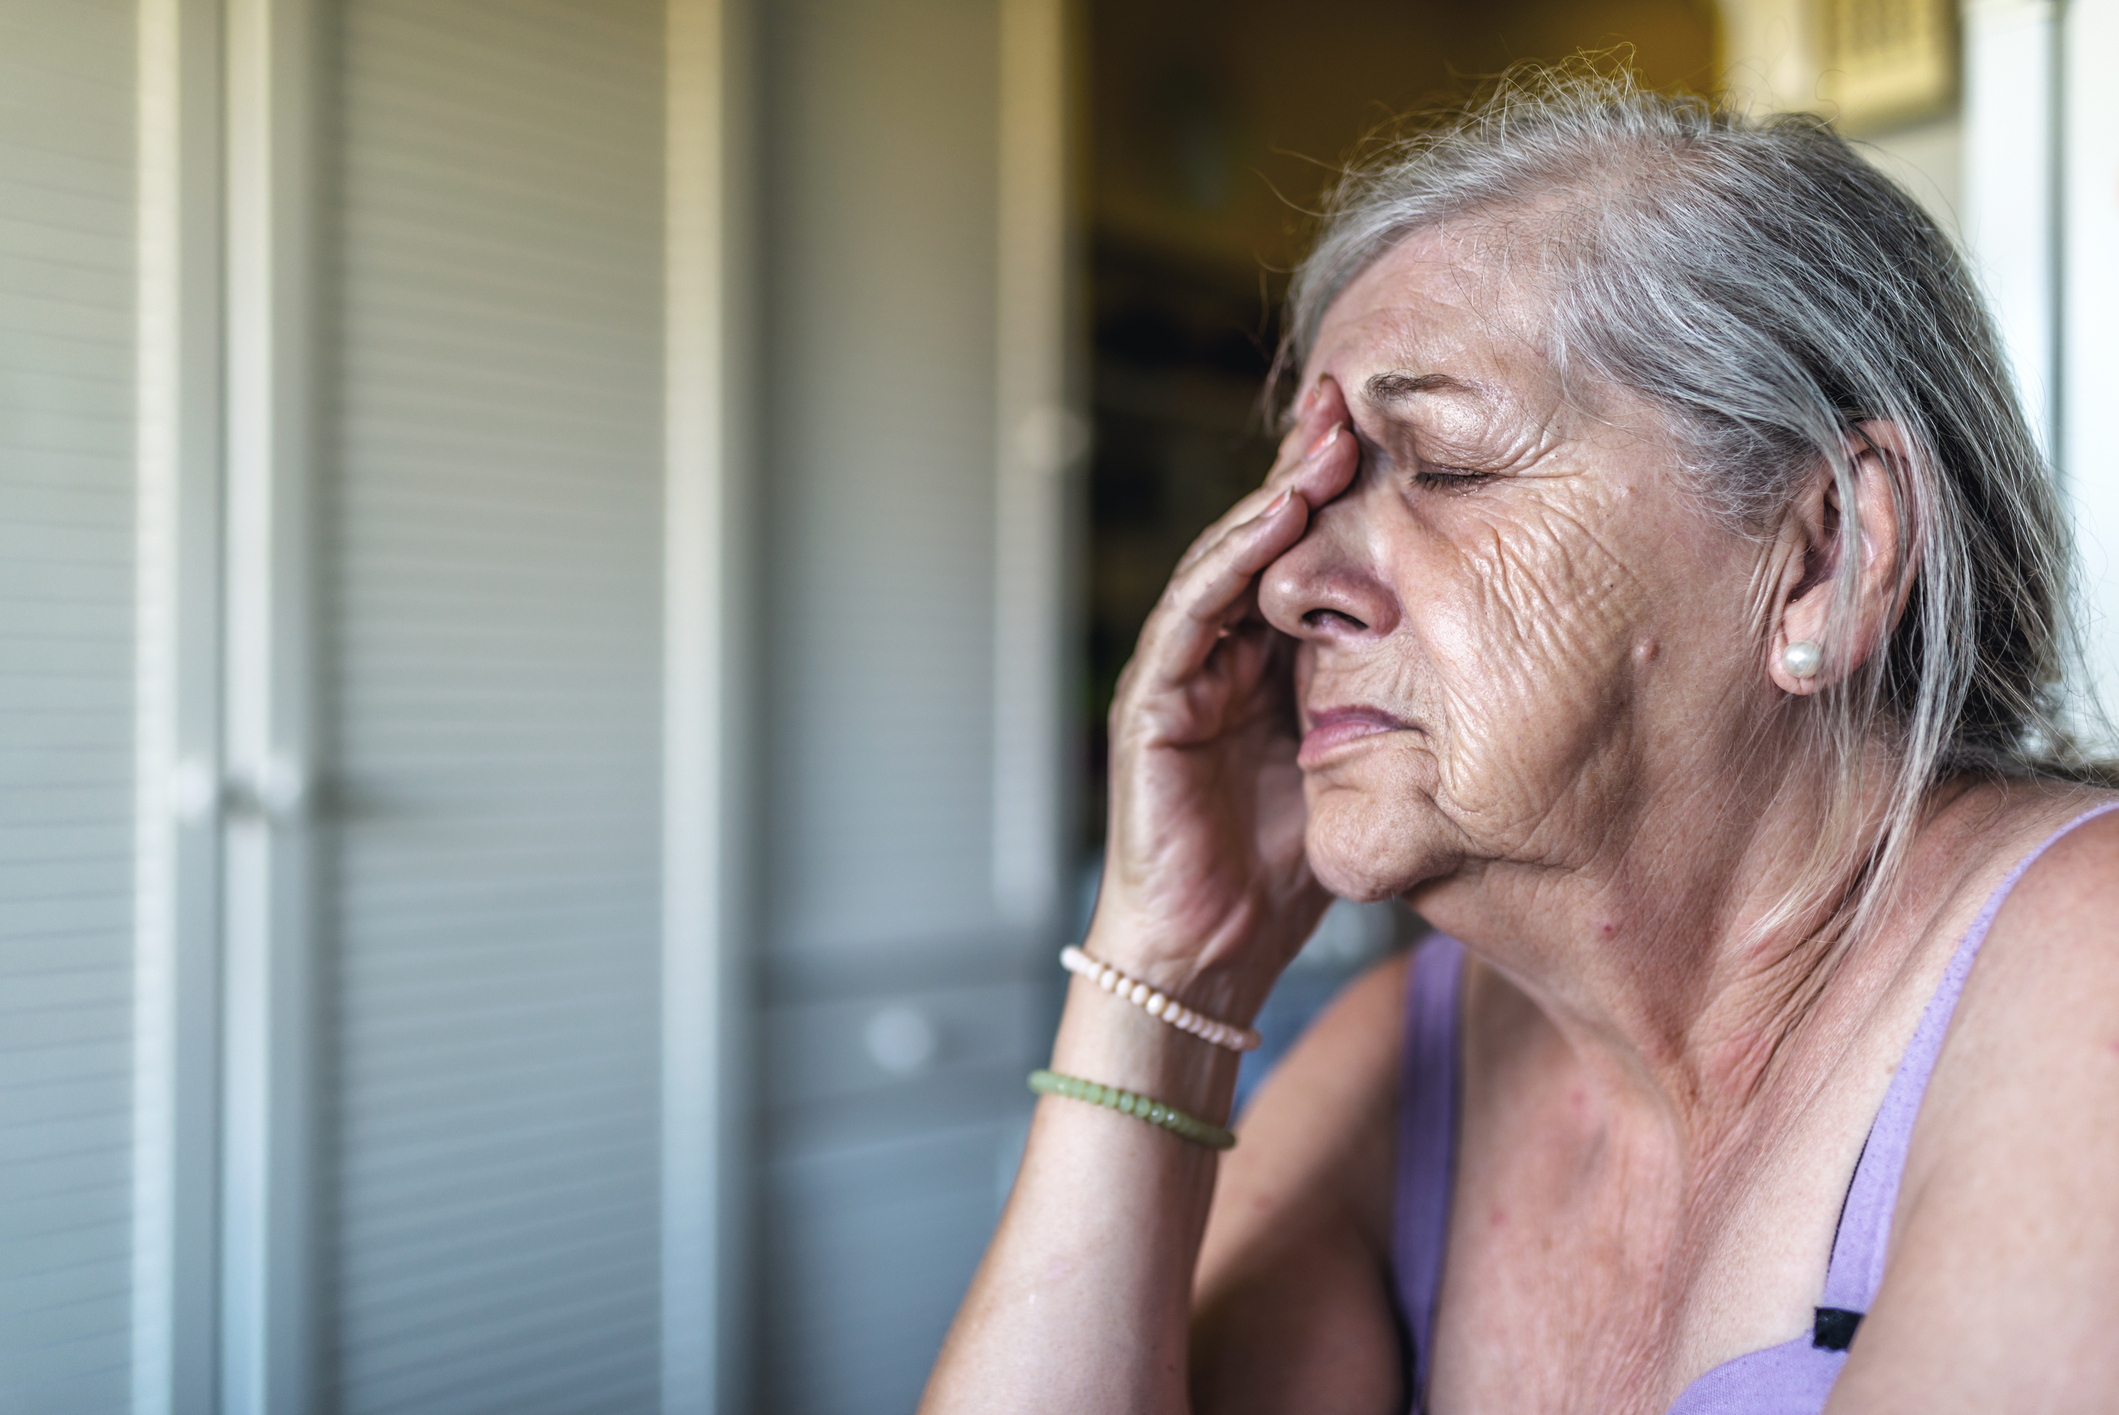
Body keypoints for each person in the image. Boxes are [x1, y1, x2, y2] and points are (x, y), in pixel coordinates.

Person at [920, 71, 2119, 1414]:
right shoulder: (1423, 1041)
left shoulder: (2093, 957)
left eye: (1440, 464)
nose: (1281, 582)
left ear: (1825, 558)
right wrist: (1162, 968)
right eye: (1305, 488)